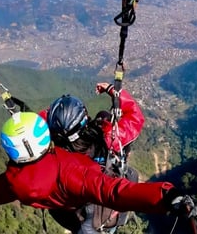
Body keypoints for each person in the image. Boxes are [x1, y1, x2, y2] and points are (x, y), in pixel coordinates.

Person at [0, 110, 197, 226]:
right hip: (90, 212)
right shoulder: (69, 170)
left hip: (64, 215)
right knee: (126, 174)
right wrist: (166, 196)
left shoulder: (13, 179)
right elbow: (115, 192)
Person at [45, 83, 144, 233]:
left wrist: (55, 116)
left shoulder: (54, 155)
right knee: (104, 116)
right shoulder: (109, 138)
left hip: (74, 217)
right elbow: (135, 117)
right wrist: (113, 90)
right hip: (106, 214)